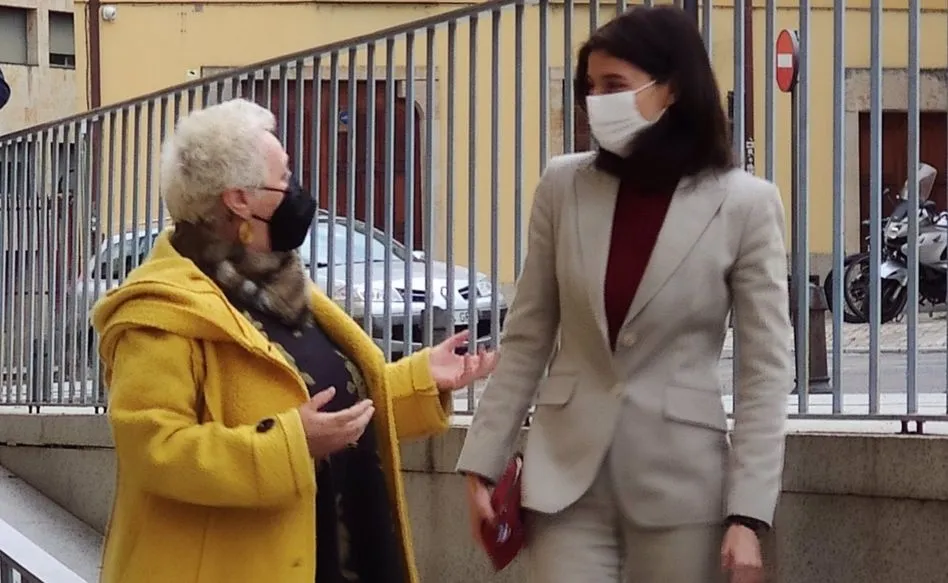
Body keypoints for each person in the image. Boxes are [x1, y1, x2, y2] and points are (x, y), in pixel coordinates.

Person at [93, 98, 498, 583]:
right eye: (284, 178)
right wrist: (288, 445)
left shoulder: (284, 288)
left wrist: (418, 378)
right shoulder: (161, 310)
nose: (298, 190)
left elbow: (325, 405)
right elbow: (154, 450)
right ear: (239, 199)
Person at [456, 6, 792, 583]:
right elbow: (530, 331)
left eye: (615, 86)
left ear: (673, 90)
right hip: (563, 483)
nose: (597, 101)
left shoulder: (745, 203)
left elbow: (764, 370)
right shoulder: (563, 185)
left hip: (681, 487)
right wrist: (482, 461)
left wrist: (748, 515)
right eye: (590, 87)